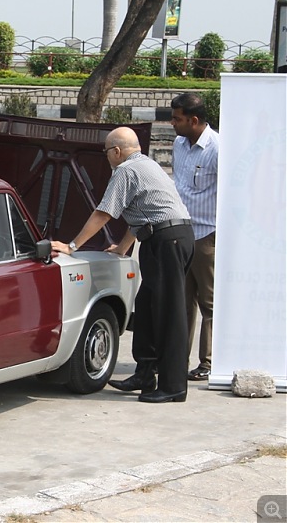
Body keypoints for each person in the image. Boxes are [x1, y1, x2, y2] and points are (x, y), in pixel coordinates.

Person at [51, 127, 194, 403]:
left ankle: (174, 385)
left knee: (168, 313)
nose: (106, 157)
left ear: (116, 151)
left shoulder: (126, 170)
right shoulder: (147, 165)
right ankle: (145, 374)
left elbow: (103, 213)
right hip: (165, 237)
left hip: (167, 240)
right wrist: (123, 247)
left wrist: (71, 246)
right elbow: (142, 214)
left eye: (106, 152)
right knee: (149, 306)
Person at [170, 93, 219, 382]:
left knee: (209, 303)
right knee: (182, 301)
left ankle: (209, 362)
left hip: (207, 237)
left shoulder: (217, 148)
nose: (173, 124)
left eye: (177, 119)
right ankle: (178, 359)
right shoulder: (179, 144)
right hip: (181, 232)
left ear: (195, 120)